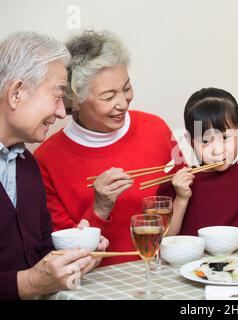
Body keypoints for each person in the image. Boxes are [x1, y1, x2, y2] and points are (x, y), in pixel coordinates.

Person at [34, 30, 183, 266]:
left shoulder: (155, 127)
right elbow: (62, 256)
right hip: (94, 283)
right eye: (108, 96)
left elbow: (186, 196)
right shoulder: (46, 160)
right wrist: (99, 209)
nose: (123, 103)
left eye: (126, 88)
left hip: (162, 272)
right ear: (75, 101)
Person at [0, 31, 108, 300]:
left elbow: (40, 253)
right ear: (16, 93)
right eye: (57, 94)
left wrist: (77, 256)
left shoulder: (28, 166)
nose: (62, 112)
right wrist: (28, 284)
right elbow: (31, 278)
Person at [158, 87, 238, 238]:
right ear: (190, 141)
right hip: (192, 261)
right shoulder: (179, 181)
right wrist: (181, 198)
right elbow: (165, 237)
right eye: (205, 141)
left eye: (225, 137)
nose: (217, 150)